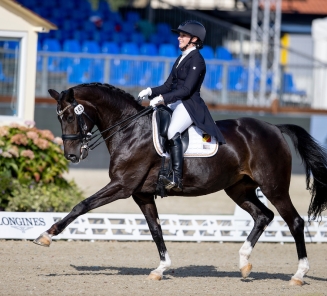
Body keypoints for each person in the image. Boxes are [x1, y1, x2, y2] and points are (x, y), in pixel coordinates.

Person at [138, 20, 226, 192]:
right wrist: (150, 91)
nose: (179, 38)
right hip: (176, 101)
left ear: (194, 39)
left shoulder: (197, 60)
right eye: (180, 35)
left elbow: (186, 90)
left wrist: (162, 99)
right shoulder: (181, 58)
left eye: (183, 35)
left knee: (172, 132)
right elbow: (167, 85)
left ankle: (176, 177)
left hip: (189, 104)